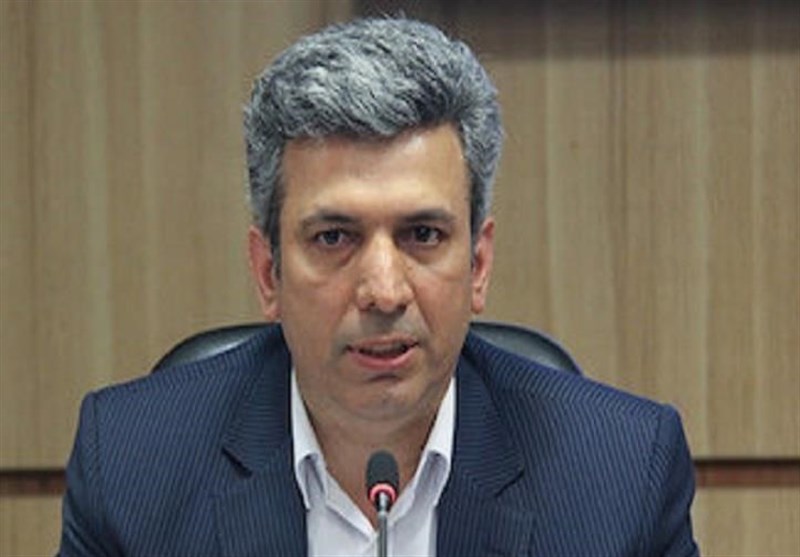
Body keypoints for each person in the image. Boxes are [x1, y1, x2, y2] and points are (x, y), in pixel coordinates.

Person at [59, 17, 699, 556]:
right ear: (267, 272)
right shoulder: (132, 469)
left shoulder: (621, 477)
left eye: (422, 234)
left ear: (478, 265)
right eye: (334, 237)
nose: (385, 291)